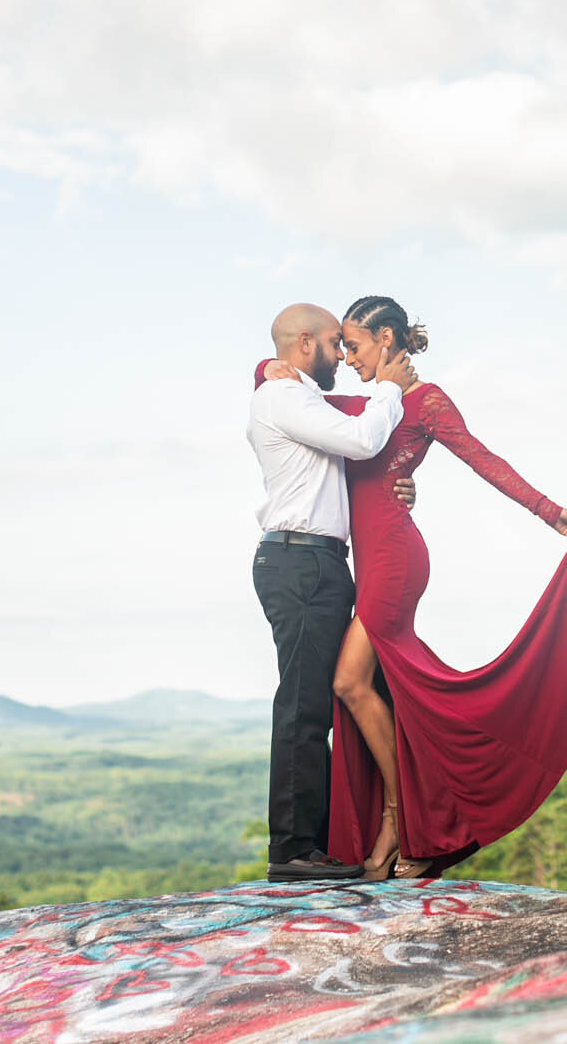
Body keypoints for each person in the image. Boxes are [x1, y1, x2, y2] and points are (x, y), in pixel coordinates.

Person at [258, 295, 567, 879]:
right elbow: (283, 397)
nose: (346, 357)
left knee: (348, 682)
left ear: (385, 339)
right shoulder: (365, 403)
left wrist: (548, 510)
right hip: (357, 560)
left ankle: (399, 818)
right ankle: (398, 819)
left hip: (393, 558)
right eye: (338, 345)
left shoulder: (426, 401)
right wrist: (265, 367)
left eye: (355, 345)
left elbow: (482, 458)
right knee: (368, 691)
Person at [246, 302, 418, 880]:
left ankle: (319, 844)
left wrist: (405, 481)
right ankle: (292, 852)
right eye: (330, 345)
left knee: (326, 701)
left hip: (317, 562)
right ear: (303, 344)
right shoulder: (284, 397)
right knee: (302, 705)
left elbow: (361, 446)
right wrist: (390, 390)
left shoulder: (294, 392)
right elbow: (363, 440)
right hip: (298, 561)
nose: (341, 359)